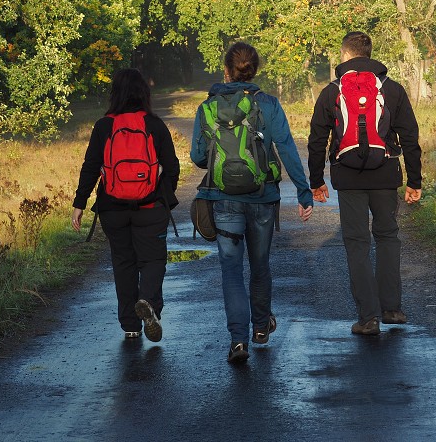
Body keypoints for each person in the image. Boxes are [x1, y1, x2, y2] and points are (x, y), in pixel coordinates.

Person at [190, 42, 313, 364]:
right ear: (254, 70)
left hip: (223, 200)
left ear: (227, 70)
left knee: (231, 271)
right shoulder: (268, 105)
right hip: (262, 198)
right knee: (260, 265)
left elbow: (198, 157)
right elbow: (286, 147)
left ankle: (237, 341)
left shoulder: (207, 108)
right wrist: (303, 191)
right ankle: (261, 328)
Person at [307, 31, 422, 336]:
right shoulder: (393, 90)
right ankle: (393, 309)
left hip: (348, 177)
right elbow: (410, 137)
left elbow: (318, 140)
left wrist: (316, 180)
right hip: (386, 174)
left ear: (345, 55)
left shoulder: (331, 92)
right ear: (370, 55)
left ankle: (368, 318)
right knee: (387, 238)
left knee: (357, 244)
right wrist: (414, 180)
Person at [71, 68, 179, 342]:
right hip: (150, 208)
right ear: (145, 93)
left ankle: (130, 324)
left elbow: (91, 166)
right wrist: (163, 195)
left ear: (115, 94)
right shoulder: (154, 124)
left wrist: (80, 203)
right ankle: (149, 304)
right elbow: (173, 166)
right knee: (153, 259)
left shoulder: (104, 126)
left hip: (112, 208)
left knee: (123, 262)